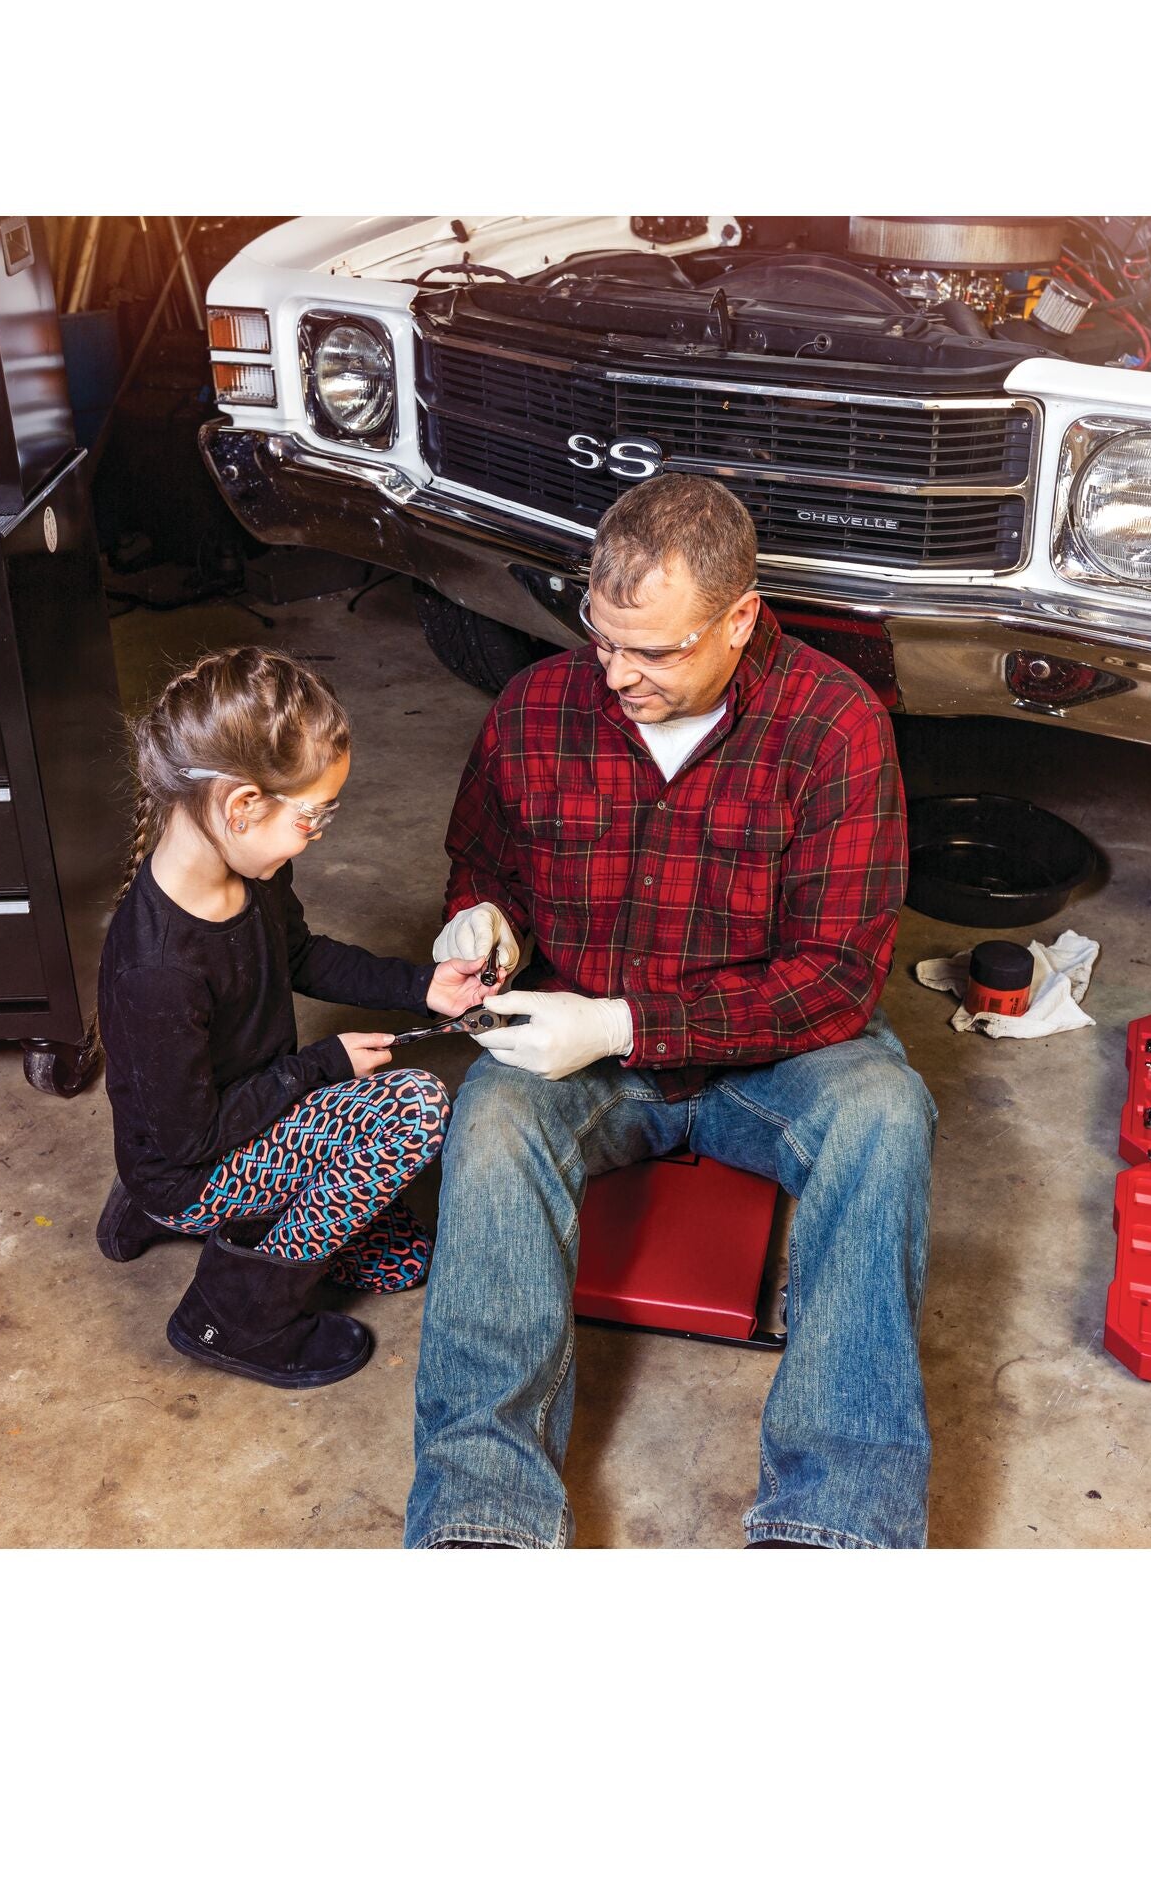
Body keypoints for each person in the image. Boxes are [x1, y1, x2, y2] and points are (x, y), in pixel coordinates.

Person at [409, 473, 938, 1549]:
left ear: (739, 618)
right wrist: (478, 921)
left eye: (652, 651)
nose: (619, 676)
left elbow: (836, 977)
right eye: (602, 640)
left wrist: (620, 1024)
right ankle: (482, 1515)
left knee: (885, 1114)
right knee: (492, 1120)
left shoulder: (832, 726)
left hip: (772, 1058)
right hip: (580, 1053)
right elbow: (482, 859)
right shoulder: (538, 706)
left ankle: (834, 1521)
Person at [94, 646, 489, 1390]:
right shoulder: (158, 969)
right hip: (189, 1163)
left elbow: (301, 956)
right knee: (412, 1107)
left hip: (238, 1113)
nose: (321, 829)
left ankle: (186, 1217)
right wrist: (323, 1065)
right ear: (243, 805)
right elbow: (191, 1137)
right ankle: (236, 1317)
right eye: (315, 812)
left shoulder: (253, 867)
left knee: (403, 1263)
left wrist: (424, 986)